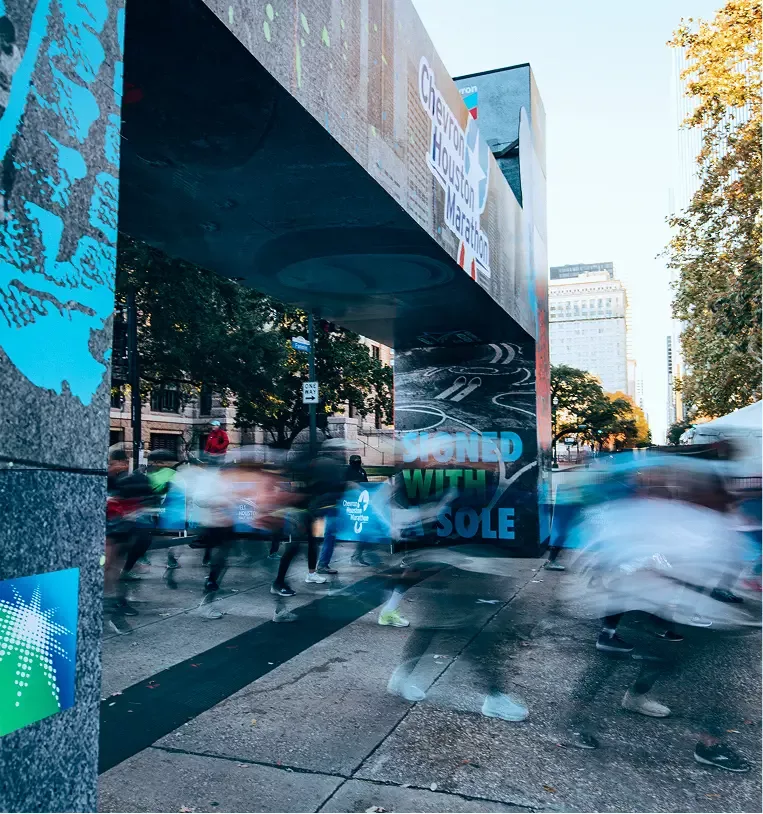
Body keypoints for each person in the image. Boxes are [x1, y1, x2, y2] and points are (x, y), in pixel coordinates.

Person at [317, 453, 369, 574]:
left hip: (352, 506)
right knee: (330, 534)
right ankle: (322, 564)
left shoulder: (360, 471)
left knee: (363, 530)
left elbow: (365, 484)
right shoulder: (342, 472)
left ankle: (355, 557)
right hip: (340, 506)